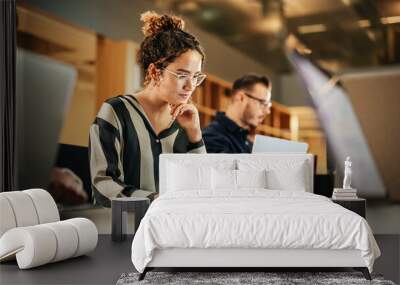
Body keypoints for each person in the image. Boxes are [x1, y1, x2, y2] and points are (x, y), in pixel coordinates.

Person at [89, 11, 207, 207]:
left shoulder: (185, 121)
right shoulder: (116, 111)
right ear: (155, 72)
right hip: (123, 230)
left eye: (196, 77)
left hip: (174, 227)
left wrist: (195, 135)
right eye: (181, 75)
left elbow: (201, 186)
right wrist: (156, 201)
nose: (190, 86)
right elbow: (103, 186)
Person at [202, 74, 272, 153]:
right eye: (262, 103)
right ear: (241, 98)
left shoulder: (246, 141)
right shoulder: (213, 138)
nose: (267, 111)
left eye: (268, 105)